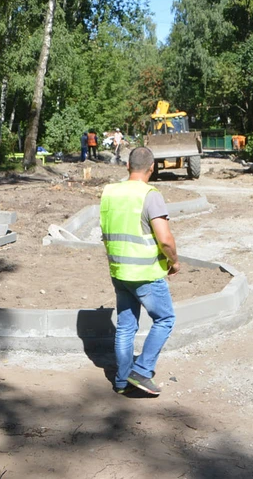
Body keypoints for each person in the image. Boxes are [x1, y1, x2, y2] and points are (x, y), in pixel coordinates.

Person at [100, 146, 180, 396]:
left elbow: (105, 230)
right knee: (165, 319)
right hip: (145, 273)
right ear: (152, 168)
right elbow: (165, 239)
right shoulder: (150, 195)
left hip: (119, 271)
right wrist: (174, 262)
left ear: (127, 166)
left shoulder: (110, 192)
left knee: (125, 326)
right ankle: (142, 371)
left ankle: (122, 381)